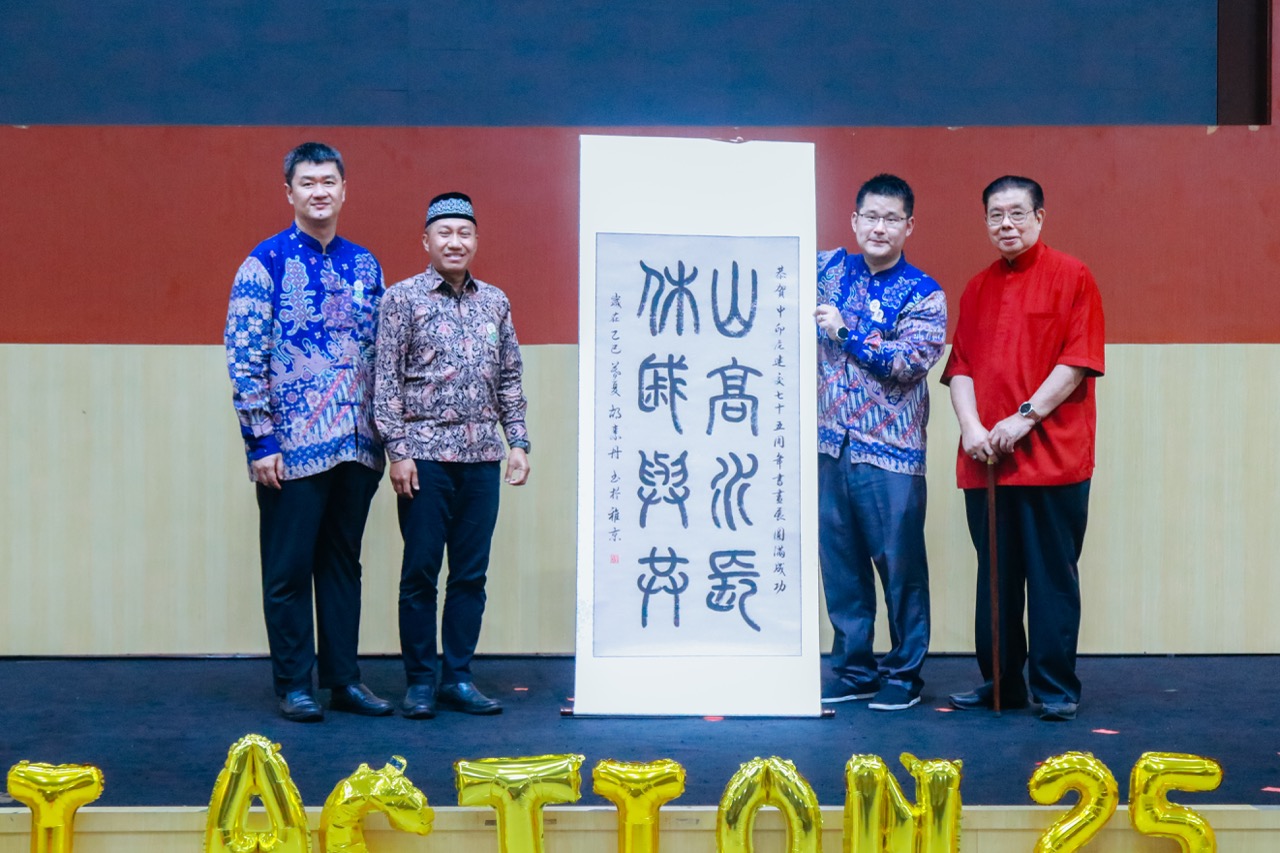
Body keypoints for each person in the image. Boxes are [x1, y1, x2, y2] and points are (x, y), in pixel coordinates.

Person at [225, 141, 393, 722]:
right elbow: (244, 355)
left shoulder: (366, 265)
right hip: (290, 449)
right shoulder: (264, 262)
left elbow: (381, 353)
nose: (319, 192)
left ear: (344, 190)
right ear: (289, 192)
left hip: (357, 444)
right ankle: (295, 684)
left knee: (344, 566)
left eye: (328, 182)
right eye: (307, 182)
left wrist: (388, 438)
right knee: (289, 568)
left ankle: (344, 680)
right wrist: (260, 441)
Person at [941, 175, 1105, 722]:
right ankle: (1002, 683)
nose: (1005, 224)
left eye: (1016, 213)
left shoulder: (1073, 276)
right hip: (986, 457)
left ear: (1039, 217)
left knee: (1052, 577)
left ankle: (1056, 688)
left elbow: (1077, 362)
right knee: (996, 578)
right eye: (995, 215)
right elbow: (960, 367)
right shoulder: (977, 287)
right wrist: (970, 426)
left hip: (1052, 458)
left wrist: (1024, 417)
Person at [374, 192, 530, 719]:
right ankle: (421, 682)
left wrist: (518, 443)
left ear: (476, 241)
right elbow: (386, 382)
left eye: (464, 233)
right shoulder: (402, 299)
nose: (455, 242)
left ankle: (458, 678)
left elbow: (510, 378)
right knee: (420, 573)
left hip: (483, 456)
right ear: (426, 241)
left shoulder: (495, 302)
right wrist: (398, 451)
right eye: (445, 233)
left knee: (470, 575)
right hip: (424, 457)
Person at [813, 174, 947, 711]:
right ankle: (853, 669)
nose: (879, 227)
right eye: (870, 216)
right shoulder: (826, 270)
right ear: (854, 220)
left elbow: (909, 362)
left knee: (900, 567)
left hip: (892, 453)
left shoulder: (925, 293)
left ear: (909, 226)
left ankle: (904, 673)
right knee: (840, 563)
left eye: (892, 219)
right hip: (830, 445)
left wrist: (844, 332)